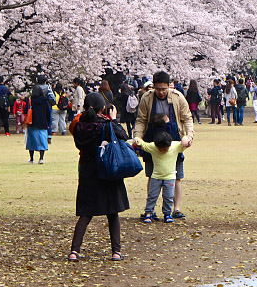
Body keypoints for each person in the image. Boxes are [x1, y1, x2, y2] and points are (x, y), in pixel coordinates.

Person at [69, 92, 129, 262]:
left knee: (86, 213)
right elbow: (123, 136)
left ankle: (74, 250)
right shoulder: (106, 124)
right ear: (103, 107)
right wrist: (113, 119)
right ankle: (116, 251)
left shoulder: (79, 126)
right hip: (107, 169)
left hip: (88, 170)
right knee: (112, 212)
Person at [134, 71, 194, 219]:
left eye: (164, 89)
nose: (161, 92)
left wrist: (188, 136)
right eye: (158, 89)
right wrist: (137, 136)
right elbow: (141, 119)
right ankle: (151, 210)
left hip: (173, 139)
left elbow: (187, 118)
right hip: (152, 139)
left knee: (177, 175)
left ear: (169, 86)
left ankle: (176, 209)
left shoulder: (178, 97)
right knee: (151, 175)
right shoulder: (146, 98)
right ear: (153, 86)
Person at [134, 120, 188, 224]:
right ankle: (149, 213)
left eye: (165, 148)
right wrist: (137, 139)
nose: (163, 150)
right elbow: (142, 144)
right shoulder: (153, 147)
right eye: (160, 149)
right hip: (156, 177)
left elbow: (185, 144)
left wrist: (186, 138)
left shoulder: (175, 146)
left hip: (170, 177)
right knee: (152, 196)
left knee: (168, 197)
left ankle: (167, 214)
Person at [26, 85, 50, 164]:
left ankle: (31, 159)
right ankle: (41, 158)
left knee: (31, 142)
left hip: (32, 123)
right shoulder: (45, 101)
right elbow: (48, 113)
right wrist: (48, 123)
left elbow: (26, 110)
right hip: (42, 123)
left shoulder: (30, 100)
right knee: (42, 141)